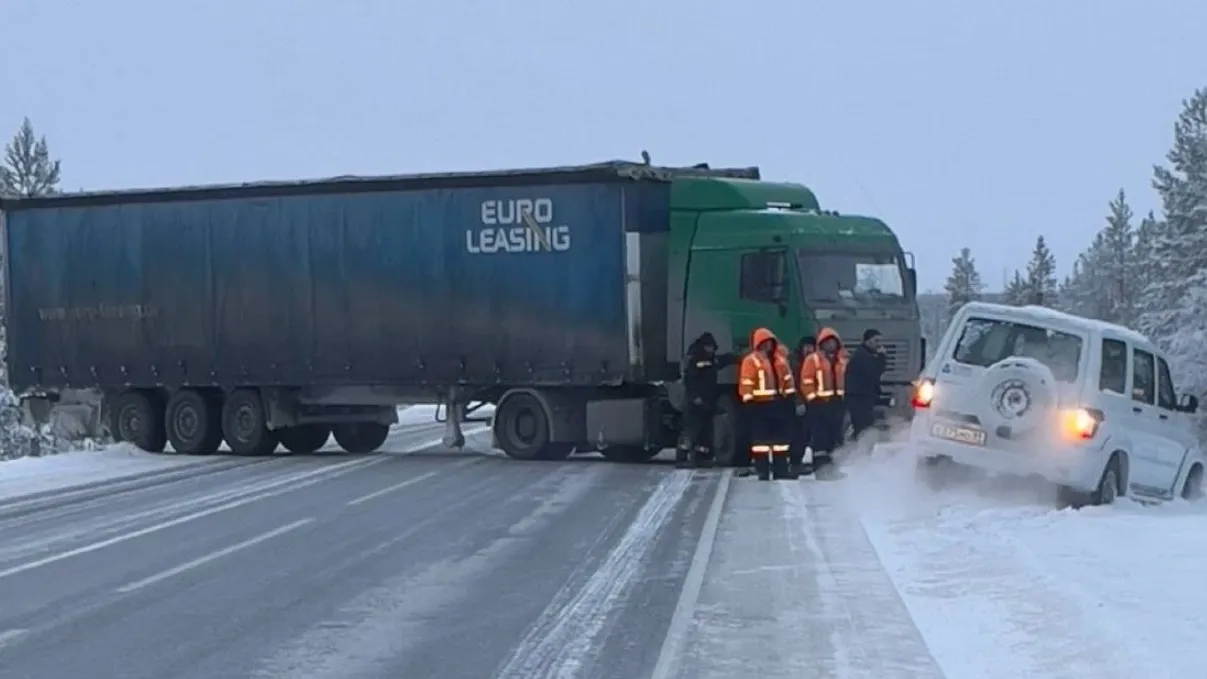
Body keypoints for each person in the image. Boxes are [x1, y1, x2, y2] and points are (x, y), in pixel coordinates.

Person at [737, 327, 796, 481]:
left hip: (778, 404)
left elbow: (787, 380)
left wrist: (789, 398)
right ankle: (762, 470)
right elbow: (746, 381)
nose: (767, 345)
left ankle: (781, 469)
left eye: (770, 343)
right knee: (760, 441)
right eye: (764, 343)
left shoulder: (781, 361)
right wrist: (749, 400)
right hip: (758, 405)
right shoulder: (751, 361)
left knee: (780, 441)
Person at [678, 331, 737, 469]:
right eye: (707, 347)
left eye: (711, 347)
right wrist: (695, 397)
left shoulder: (711, 360)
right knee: (691, 431)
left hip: (707, 402)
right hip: (695, 403)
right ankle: (682, 458)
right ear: (702, 347)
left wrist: (736, 357)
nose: (710, 350)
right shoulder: (695, 360)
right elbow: (691, 381)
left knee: (705, 432)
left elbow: (723, 361)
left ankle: (702, 457)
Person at [799, 327, 848, 479]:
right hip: (818, 405)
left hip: (837, 404)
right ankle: (821, 470)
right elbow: (806, 381)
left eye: (833, 342)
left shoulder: (842, 360)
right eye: (828, 342)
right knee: (820, 438)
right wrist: (812, 399)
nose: (831, 345)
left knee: (836, 437)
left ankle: (833, 468)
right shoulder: (812, 360)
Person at [845, 328, 888, 444]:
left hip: (863, 396)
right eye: (876, 341)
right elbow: (873, 373)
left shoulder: (866, 355)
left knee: (864, 425)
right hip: (859, 398)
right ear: (868, 341)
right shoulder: (861, 356)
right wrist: (882, 358)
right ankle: (859, 452)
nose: (879, 345)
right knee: (863, 427)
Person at [790, 335, 817, 478]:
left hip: (813, 403)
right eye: (806, 347)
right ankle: (795, 463)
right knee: (799, 435)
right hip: (800, 404)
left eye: (811, 347)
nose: (808, 349)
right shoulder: (795, 363)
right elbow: (793, 385)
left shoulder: (816, 361)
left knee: (811, 434)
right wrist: (798, 402)